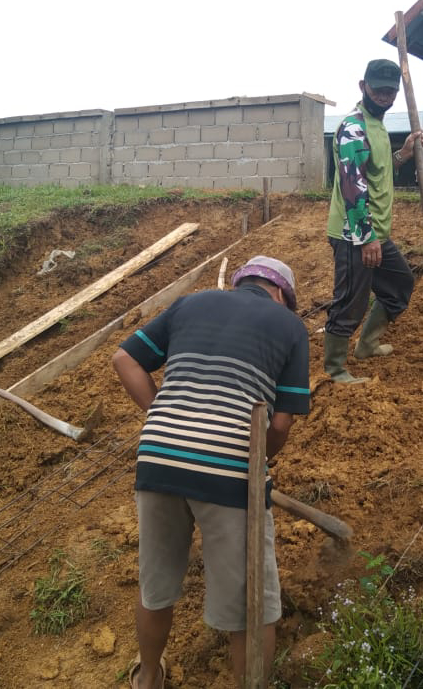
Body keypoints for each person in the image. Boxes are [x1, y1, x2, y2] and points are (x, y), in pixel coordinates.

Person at [113, 255, 310, 689]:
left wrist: (164, 414)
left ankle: (148, 678)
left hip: (158, 455)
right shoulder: (289, 325)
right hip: (231, 469)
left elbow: (125, 359)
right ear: (281, 294)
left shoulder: (191, 303)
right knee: (249, 605)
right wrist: (258, 462)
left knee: (156, 584)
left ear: (242, 283)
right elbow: (279, 424)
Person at [325, 59, 423, 384]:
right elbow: (354, 186)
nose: (384, 96)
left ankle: (366, 345)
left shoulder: (377, 126)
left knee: (400, 284)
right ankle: (335, 369)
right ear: (363, 86)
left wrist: (404, 154)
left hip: (375, 231)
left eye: (390, 91)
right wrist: (366, 238)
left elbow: (376, 171)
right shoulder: (353, 127)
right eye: (378, 89)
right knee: (351, 301)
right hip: (354, 232)